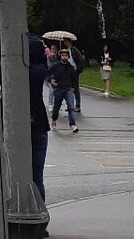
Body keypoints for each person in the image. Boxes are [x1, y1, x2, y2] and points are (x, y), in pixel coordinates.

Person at [28, 36, 50, 207]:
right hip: (39, 125)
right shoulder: (41, 69)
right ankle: (40, 215)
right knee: (37, 176)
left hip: (30, 126)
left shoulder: (26, 72)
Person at [48, 49, 79, 132]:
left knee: (71, 106)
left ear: (68, 57)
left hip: (68, 89)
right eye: (63, 55)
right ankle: (54, 121)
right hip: (58, 89)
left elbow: (74, 79)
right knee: (57, 107)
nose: (64, 57)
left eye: (66, 55)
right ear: (60, 56)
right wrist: (51, 80)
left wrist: (73, 88)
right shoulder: (55, 66)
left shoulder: (71, 67)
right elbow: (47, 73)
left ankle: (72, 124)